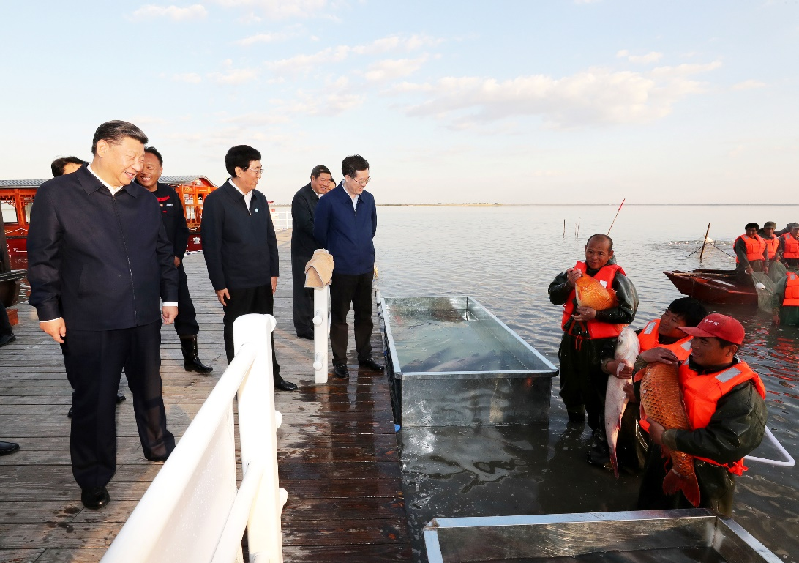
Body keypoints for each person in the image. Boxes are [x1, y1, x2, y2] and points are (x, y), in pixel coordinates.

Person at [27, 120, 179, 510]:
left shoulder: (141, 199)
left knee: (150, 388)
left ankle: (158, 445)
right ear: (103, 148)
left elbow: (163, 251)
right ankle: (94, 478)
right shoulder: (58, 194)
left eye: (141, 158)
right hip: (90, 318)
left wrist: (169, 296)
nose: (137, 166)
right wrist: (47, 309)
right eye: (131, 157)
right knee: (94, 402)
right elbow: (42, 256)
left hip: (143, 313)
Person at [637, 313, 767, 517]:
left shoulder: (742, 392)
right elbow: (645, 390)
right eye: (695, 338)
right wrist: (641, 360)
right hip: (664, 457)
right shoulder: (682, 364)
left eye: (704, 341)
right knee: (646, 516)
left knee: (695, 535)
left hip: (706, 475)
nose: (694, 345)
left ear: (730, 350)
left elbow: (730, 442)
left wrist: (667, 437)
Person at [200, 145, 297, 391]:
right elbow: (211, 246)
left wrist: (273, 271)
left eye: (260, 169)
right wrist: (219, 283)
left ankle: (272, 376)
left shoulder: (259, 198)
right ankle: (239, 383)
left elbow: (270, 238)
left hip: (262, 278)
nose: (259, 174)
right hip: (235, 281)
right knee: (235, 331)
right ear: (238, 170)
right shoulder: (216, 201)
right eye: (255, 170)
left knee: (266, 328)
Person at [548, 234, 638, 462]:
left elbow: (628, 312)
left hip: (600, 345)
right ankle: (574, 424)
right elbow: (553, 296)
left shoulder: (618, 278)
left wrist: (597, 314)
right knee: (569, 386)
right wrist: (569, 284)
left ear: (609, 254)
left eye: (600, 253)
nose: (594, 257)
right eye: (591, 251)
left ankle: (600, 438)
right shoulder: (572, 273)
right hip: (571, 341)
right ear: (585, 250)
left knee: (597, 393)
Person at [50, 154, 127, 416]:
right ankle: (82, 396)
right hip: (67, 293)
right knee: (74, 350)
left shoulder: (101, 206)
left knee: (108, 345)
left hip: (100, 294)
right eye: (71, 175)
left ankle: (108, 388)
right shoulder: (54, 208)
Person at [600, 297, 708, 471]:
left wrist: (640, 396)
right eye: (666, 313)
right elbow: (610, 347)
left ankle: (634, 466)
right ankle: (612, 452)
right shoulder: (646, 331)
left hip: (653, 405)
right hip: (626, 389)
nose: (665, 320)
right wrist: (609, 365)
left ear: (689, 330)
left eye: (674, 320)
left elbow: (683, 393)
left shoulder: (691, 357)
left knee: (635, 435)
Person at [136, 147, 212, 374]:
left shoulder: (169, 194)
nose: (144, 172)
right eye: (141, 167)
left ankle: (191, 359)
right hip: (141, 270)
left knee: (185, 311)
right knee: (144, 318)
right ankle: (145, 366)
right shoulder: (129, 193)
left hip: (171, 265)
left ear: (160, 169)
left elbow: (181, 228)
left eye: (150, 167)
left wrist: (178, 254)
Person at [313, 154, 382, 379]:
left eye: (367, 180)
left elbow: (371, 229)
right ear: (347, 177)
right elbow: (320, 234)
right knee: (340, 318)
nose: (363, 184)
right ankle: (340, 362)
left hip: (364, 268)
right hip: (341, 270)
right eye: (360, 180)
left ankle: (365, 356)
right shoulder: (328, 201)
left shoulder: (368, 199)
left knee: (365, 316)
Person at [290, 165, 332, 339]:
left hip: (319, 252)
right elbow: (306, 225)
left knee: (317, 287)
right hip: (303, 251)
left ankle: (316, 322)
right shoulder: (301, 197)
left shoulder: (325, 197)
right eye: (322, 180)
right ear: (313, 178)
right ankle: (303, 327)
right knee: (303, 289)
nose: (325, 184)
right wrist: (329, 236)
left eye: (328, 180)